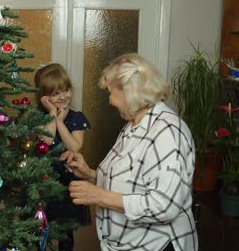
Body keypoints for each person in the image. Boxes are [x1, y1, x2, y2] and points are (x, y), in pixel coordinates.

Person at [60, 53, 198, 251]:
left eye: (111, 92)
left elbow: (164, 206)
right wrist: (90, 174)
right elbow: (132, 182)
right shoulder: (134, 124)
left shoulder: (167, 132)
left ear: (129, 90)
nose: (110, 101)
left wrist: (98, 196)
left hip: (158, 246)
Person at [34, 63, 91, 251]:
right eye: (56, 93)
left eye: (66, 90)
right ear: (45, 98)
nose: (63, 96)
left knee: (66, 231)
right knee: (40, 225)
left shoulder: (76, 117)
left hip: (67, 178)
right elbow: (46, 141)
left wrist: (60, 122)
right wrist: (52, 115)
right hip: (44, 178)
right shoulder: (40, 117)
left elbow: (74, 146)